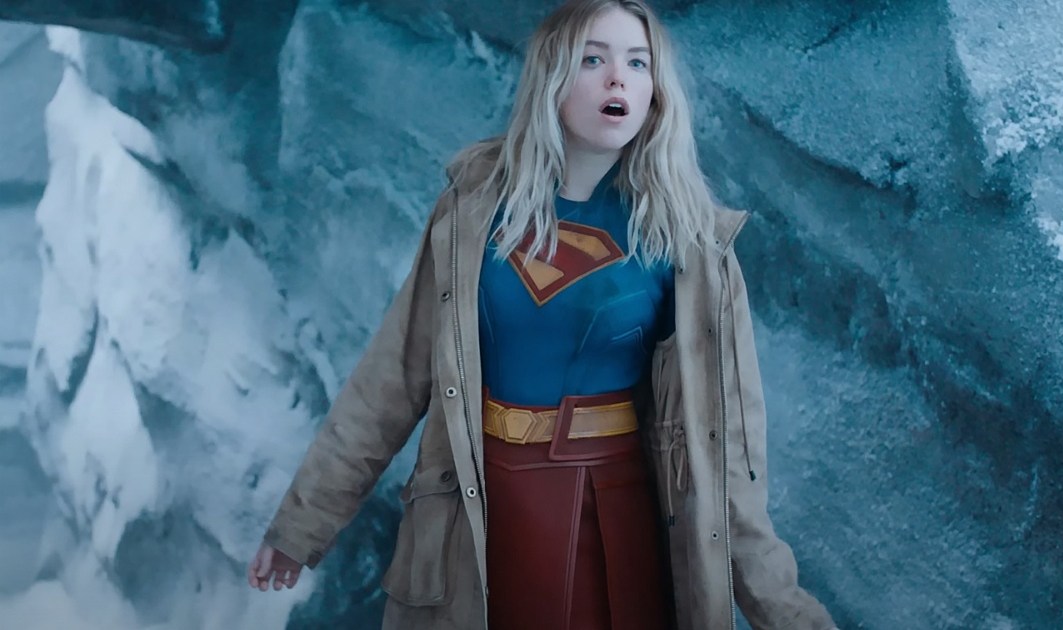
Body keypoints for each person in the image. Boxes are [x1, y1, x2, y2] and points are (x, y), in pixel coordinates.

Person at [247, 1, 838, 628]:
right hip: (475, 511)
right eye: (593, 59)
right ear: (552, 77)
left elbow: (729, 449)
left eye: (638, 63)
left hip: (612, 520)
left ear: (657, 93)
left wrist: (790, 617)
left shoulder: (691, 242)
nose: (618, 78)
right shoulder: (472, 210)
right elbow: (391, 380)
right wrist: (302, 525)